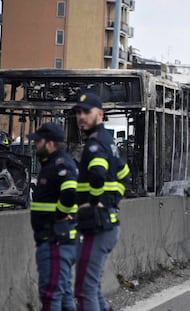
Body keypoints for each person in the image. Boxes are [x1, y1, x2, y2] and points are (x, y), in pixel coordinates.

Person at [73, 92, 130, 311]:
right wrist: (114, 198)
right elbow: (125, 173)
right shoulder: (108, 141)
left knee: (85, 290)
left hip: (97, 224)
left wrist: (95, 201)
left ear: (100, 114)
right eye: (79, 112)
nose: (81, 117)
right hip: (105, 222)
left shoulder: (95, 144)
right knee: (92, 287)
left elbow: (97, 173)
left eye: (87, 112)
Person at [29, 122, 78, 311]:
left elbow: (71, 191)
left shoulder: (60, 164)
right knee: (63, 293)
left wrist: (61, 213)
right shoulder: (52, 164)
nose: (35, 145)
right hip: (54, 239)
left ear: (50, 144)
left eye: (38, 141)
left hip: (55, 240)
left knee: (51, 294)